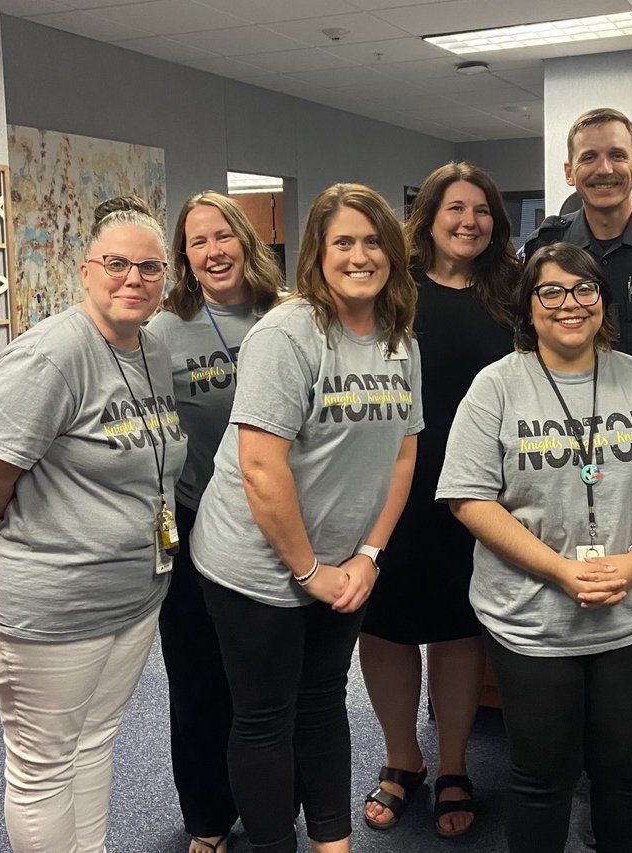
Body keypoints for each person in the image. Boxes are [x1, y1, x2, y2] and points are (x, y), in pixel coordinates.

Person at [437, 242, 632, 853]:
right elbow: (469, 500)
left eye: (584, 289)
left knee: (628, 776)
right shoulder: (496, 388)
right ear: (528, 309)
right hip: (532, 618)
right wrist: (561, 570)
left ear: (602, 303)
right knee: (540, 780)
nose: (570, 304)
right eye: (551, 292)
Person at [188, 183, 422, 853]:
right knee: (265, 716)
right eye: (342, 241)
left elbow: (404, 455)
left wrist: (369, 556)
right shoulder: (287, 335)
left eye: (373, 240)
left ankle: (332, 844)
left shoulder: (399, 336)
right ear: (316, 254)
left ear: (393, 252)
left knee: (323, 699)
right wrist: (310, 570)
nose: (359, 255)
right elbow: (261, 468)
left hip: (345, 563)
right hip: (256, 562)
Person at [0, 204, 187, 853]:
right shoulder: (54, 353)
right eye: (116, 263)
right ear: (86, 270)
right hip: (50, 604)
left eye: (148, 266)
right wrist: (17, 528)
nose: (132, 278)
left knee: (95, 741)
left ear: (163, 277)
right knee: (43, 766)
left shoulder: (151, 350)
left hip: (129, 593)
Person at [523, 107, 632, 848]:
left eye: (615, 155)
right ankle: (594, 778)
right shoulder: (545, 250)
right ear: (569, 171)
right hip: (567, 472)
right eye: (587, 157)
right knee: (577, 634)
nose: (602, 168)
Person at [358, 163, 519, 837]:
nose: (469, 221)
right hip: (390, 481)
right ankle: (402, 758)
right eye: (455, 208)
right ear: (427, 215)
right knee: (387, 624)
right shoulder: (393, 292)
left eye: (481, 210)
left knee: (459, 625)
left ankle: (453, 762)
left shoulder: (510, 293)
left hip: (480, 487)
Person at [148, 190, 283, 853]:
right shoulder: (164, 329)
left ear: (245, 240)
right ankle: (205, 815)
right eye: (197, 242)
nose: (213, 250)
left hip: (273, 520)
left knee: (267, 677)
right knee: (198, 676)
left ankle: (271, 805)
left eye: (223, 235)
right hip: (193, 516)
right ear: (185, 256)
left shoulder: (284, 317)